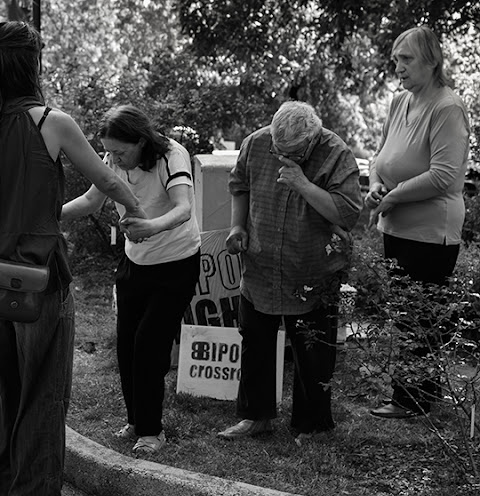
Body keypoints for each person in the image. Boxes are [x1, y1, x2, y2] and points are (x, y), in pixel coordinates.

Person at [0, 22, 145, 496]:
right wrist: (137, 213)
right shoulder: (52, 121)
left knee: (9, 378)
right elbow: (105, 178)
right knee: (45, 385)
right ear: (34, 65)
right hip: (38, 272)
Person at [217, 101, 362, 441]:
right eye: (278, 151)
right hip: (262, 263)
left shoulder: (336, 154)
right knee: (255, 341)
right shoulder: (255, 143)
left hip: (311, 269)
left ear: (313, 138)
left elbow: (347, 215)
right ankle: (256, 416)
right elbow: (240, 186)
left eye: (294, 154)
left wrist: (303, 183)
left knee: (313, 352)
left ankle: (312, 425)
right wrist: (237, 228)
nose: (284, 159)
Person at [62, 105, 201, 454]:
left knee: (149, 345)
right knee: (126, 345)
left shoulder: (172, 155)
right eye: (108, 152)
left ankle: (153, 432)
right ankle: (136, 421)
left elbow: (183, 208)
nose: (113, 159)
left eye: (120, 152)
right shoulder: (114, 160)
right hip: (134, 263)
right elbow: (92, 200)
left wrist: (149, 228)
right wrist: (51, 214)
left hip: (177, 263)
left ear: (141, 141)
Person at [365, 26, 470, 419]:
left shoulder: (447, 107)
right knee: (405, 315)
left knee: (421, 318)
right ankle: (413, 397)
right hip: (396, 226)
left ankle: (412, 401)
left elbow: (444, 176)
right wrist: (376, 185)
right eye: (396, 60)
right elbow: (379, 158)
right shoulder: (398, 102)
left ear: (432, 61)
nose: (399, 67)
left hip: (431, 231)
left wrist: (390, 196)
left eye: (406, 59)